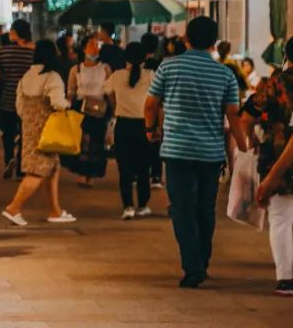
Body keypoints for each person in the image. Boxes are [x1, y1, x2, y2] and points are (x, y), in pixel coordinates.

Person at [144, 16, 247, 289]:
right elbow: (234, 117)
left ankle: (193, 267)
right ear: (214, 43)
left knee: (181, 209)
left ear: (185, 38)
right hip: (210, 153)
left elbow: (150, 104)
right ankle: (202, 260)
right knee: (205, 209)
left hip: (177, 151)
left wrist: (150, 129)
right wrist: (244, 147)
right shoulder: (224, 74)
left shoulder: (168, 68)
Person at [0, 40, 75, 226]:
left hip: (29, 128)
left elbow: (19, 106)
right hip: (48, 130)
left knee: (52, 169)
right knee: (37, 171)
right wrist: (69, 105)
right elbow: (58, 103)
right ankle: (13, 207)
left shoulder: (26, 76)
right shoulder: (52, 77)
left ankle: (55, 210)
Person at [243, 37, 293, 296]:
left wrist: (251, 138)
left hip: (277, 154)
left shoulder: (274, 84)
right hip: (282, 154)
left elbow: (246, 116)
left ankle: (286, 278)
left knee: (281, 218)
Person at [104, 42, 154, 220]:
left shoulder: (117, 76)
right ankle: (142, 205)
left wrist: (115, 105)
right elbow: (157, 100)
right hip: (144, 126)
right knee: (143, 168)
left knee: (124, 169)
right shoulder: (150, 76)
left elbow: (107, 91)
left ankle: (128, 206)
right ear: (144, 58)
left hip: (123, 126)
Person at [0, 20, 35, 178]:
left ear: (16, 32)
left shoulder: (4, 51)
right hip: (28, 98)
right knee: (25, 134)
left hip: (8, 97)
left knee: (7, 133)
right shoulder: (33, 52)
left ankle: (9, 159)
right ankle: (21, 167)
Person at [67, 34, 112, 186]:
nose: (95, 48)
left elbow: (109, 90)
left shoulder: (105, 68)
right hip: (81, 108)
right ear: (84, 48)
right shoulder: (76, 69)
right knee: (82, 141)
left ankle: (92, 174)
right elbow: (71, 91)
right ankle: (81, 172)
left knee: (96, 142)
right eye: (91, 44)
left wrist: (114, 107)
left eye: (97, 44)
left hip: (100, 109)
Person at [141, 33, 164, 188]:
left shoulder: (139, 64)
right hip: (157, 108)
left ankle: (142, 173)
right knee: (156, 143)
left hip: (139, 108)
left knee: (142, 143)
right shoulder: (160, 65)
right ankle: (156, 175)